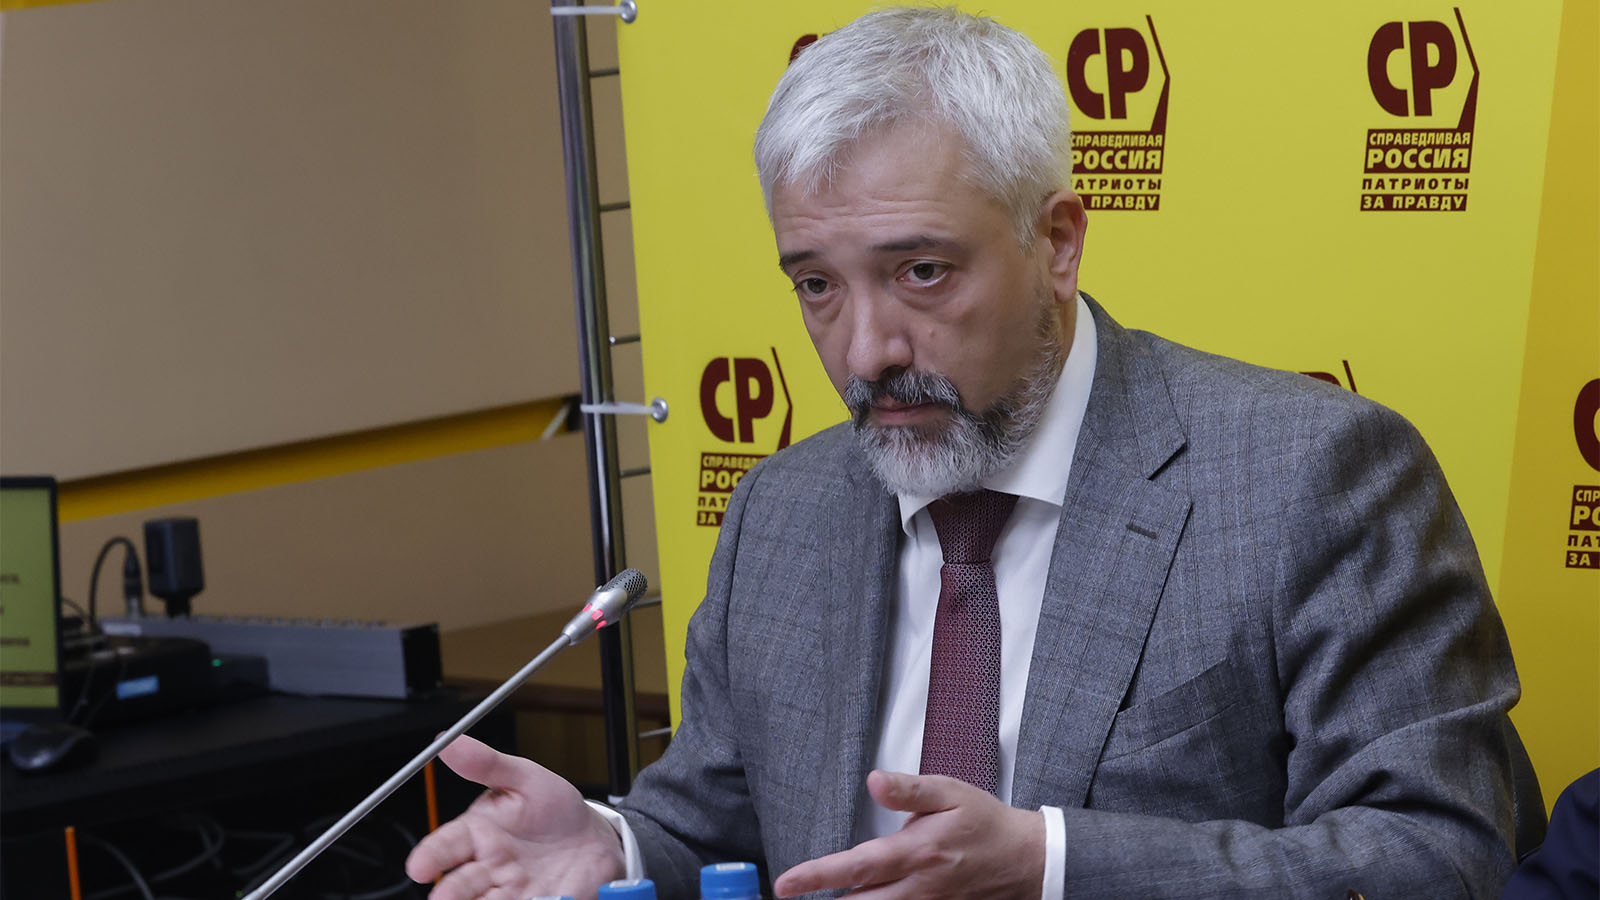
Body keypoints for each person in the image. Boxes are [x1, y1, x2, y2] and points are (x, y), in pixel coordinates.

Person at [407, 8, 1533, 899]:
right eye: (816, 285)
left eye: (922, 272)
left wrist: (1053, 868)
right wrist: (613, 845)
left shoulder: (1308, 478)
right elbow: (717, 829)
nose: (866, 351)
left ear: (1057, 242)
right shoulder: (783, 513)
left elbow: (1443, 858)